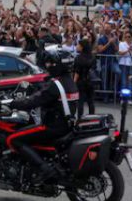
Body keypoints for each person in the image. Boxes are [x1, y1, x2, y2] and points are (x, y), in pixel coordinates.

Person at [6, 47, 79, 183]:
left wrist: (12, 103)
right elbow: (46, 94)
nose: (48, 65)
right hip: (65, 125)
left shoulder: (55, 85)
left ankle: (44, 169)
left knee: (13, 139)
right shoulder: (69, 82)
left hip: (51, 127)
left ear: (59, 65)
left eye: (51, 63)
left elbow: (32, 102)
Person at [73, 39, 97, 117]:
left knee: (80, 101)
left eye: (78, 45)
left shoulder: (78, 58)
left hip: (81, 81)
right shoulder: (92, 57)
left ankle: (80, 118)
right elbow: (94, 68)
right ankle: (92, 118)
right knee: (91, 101)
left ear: (82, 47)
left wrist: (74, 83)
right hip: (90, 81)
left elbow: (77, 72)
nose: (77, 46)